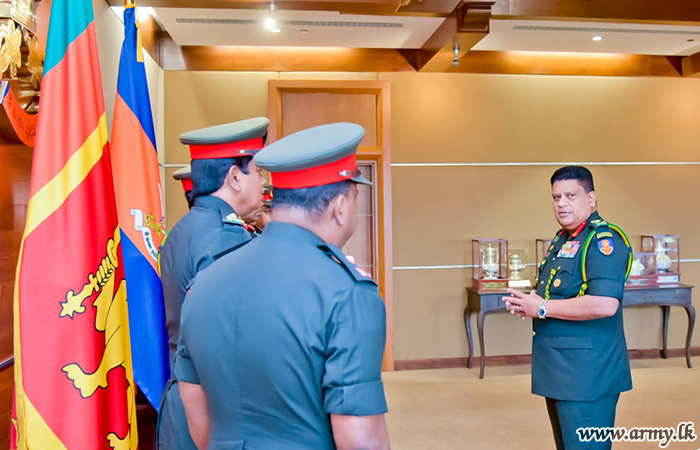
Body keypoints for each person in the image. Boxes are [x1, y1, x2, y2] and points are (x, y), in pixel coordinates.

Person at [174, 123, 391, 450]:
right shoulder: (347, 293)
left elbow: (197, 415)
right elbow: (360, 439)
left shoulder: (204, 283)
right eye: (355, 198)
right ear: (340, 207)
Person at [157, 117, 269, 450]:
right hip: (213, 412)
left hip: (182, 402)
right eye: (258, 172)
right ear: (235, 178)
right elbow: (232, 342)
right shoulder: (226, 239)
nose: (263, 182)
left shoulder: (183, 230)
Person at [503, 165, 633, 450]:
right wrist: (530, 304)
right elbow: (556, 295)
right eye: (556, 197)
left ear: (591, 198)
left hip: (588, 375)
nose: (562, 203)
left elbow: (605, 303)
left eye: (570, 196)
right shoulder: (564, 239)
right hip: (560, 371)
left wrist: (542, 307)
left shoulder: (602, 241)